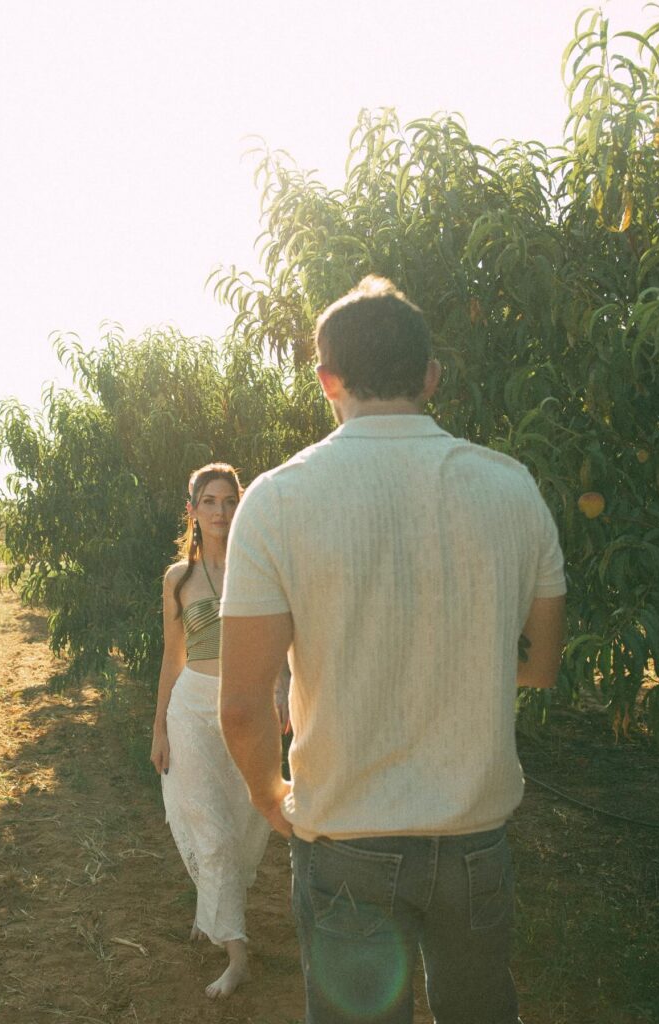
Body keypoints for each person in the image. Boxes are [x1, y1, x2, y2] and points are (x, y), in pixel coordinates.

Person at [218, 276, 566, 1024]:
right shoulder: (512, 488)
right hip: (475, 838)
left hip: (344, 836)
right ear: (431, 376)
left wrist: (267, 797)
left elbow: (244, 705)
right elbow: (539, 665)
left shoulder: (277, 500)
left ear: (326, 382)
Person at [150, 462, 288, 1000]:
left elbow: (284, 636)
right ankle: (237, 954)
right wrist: (159, 725)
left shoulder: (259, 567)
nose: (221, 512)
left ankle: (213, 909)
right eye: (209, 501)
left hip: (247, 707)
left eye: (230, 501)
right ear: (192, 509)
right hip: (191, 710)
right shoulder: (177, 579)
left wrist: (282, 689)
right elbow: (171, 657)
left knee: (245, 824)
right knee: (209, 828)